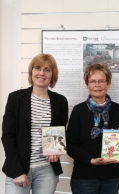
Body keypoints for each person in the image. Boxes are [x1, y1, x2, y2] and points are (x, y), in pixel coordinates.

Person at [1, 53, 68, 194]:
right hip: (18, 168)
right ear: (31, 71)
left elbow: (59, 132)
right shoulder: (16, 98)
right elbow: (7, 136)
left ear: (52, 75)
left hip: (47, 169)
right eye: (37, 68)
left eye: (47, 70)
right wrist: (17, 171)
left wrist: (56, 151)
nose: (41, 73)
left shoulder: (60, 101)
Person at [66, 63, 119, 194]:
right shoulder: (78, 111)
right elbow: (71, 145)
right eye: (93, 81)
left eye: (101, 81)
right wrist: (91, 160)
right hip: (84, 177)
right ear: (87, 85)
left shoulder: (118, 110)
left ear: (108, 84)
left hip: (111, 176)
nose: (97, 85)